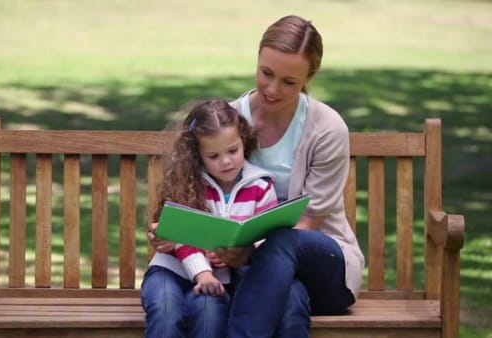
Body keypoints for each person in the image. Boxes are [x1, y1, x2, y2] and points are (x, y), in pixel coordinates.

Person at [149, 14, 365, 337]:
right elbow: (195, 193)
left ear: (310, 76)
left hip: (322, 265)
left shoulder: (327, 129)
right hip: (250, 277)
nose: (272, 89)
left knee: (282, 241)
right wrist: (175, 232)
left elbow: (307, 222)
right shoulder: (228, 125)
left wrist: (250, 252)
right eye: (266, 73)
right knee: (290, 300)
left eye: (289, 82)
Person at [141, 98, 279, 338]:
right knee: (166, 312)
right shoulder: (189, 184)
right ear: (198, 155)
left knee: (209, 315)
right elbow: (181, 236)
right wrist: (201, 272)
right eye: (213, 156)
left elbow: (266, 237)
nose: (226, 161)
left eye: (233, 151)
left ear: (243, 141)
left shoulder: (261, 187)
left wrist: (245, 251)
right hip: (170, 271)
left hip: (218, 280)